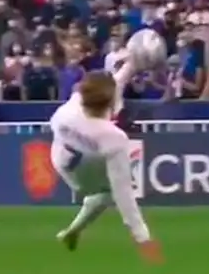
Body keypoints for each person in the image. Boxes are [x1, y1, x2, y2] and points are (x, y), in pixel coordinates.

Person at [50, 70, 161, 263]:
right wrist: (142, 237)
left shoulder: (67, 110)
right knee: (112, 191)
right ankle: (75, 229)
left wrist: (130, 65)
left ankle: (71, 232)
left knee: (106, 188)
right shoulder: (114, 137)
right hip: (84, 178)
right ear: (110, 101)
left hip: (60, 160)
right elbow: (123, 192)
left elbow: (108, 83)